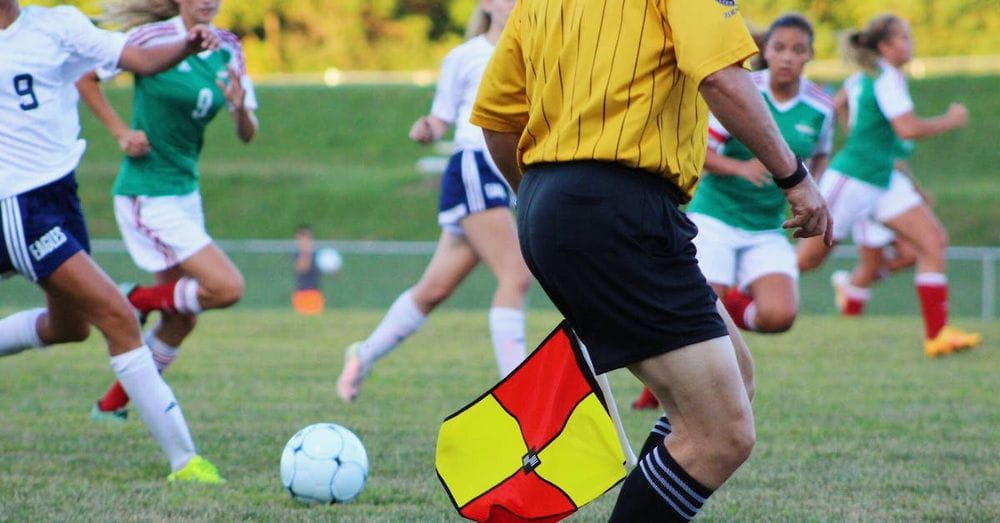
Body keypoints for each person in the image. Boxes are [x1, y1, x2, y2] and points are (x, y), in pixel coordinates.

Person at [472, 0, 831, 520]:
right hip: (619, 206)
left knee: (735, 383)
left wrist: (551, 206)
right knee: (720, 436)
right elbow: (723, 80)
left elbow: (498, 120)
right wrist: (795, 179)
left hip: (552, 202)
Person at [0, 0, 223, 482]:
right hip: (19, 208)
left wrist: (186, 43)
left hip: (61, 197)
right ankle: (186, 462)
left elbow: (139, 60)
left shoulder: (58, 24)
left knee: (70, 327)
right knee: (118, 317)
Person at [632, 13, 835, 411]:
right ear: (766, 52)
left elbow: (820, 152)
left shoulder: (820, 107)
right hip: (715, 217)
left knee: (779, 316)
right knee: (702, 314)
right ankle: (659, 389)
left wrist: (812, 188)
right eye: (779, 48)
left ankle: (726, 300)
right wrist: (742, 167)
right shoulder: (743, 91)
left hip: (766, 226)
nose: (787, 58)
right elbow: (700, 151)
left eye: (798, 50)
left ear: (810, 55)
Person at [336, 0, 532, 403]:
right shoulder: (465, 56)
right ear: (487, 5)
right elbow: (440, 118)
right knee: (516, 275)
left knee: (434, 290)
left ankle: (364, 352)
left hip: (504, 176)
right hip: (474, 166)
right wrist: (427, 128)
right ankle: (519, 395)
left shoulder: (538, 51)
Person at [76, 0, 258, 420]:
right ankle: (135, 299)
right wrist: (122, 133)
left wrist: (238, 109)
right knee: (227, 288)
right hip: (146, 193)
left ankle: (110, 407)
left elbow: (248, 133)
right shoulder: (149, 39)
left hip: (184, 193)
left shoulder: (230, 47)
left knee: (181, 320)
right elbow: (86, 78)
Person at [796, 14, 980, 357]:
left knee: (932, 242)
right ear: (885, 46)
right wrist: (951, 120)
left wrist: (859, 130)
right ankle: (734, 298)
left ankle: (937, 336)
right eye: (905, 38)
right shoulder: (885, 77)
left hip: (883, 178)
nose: (910, 43)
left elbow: (840, 105)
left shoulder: (868, 76)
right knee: (806, 261)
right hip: (854, 176)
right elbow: (907, 128)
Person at [292, 225, 325, 315]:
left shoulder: (317, 254)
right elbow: (302, 268)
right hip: (302, 293)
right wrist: (305, 252)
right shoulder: (297, 254)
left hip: (315, 293)